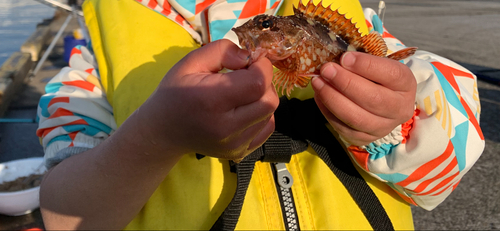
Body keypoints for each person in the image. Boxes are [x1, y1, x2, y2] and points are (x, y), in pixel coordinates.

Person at [36, 0, 484, 230]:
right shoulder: (94, 71)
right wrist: (158, 133)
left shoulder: (357, 24)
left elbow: (451, 161)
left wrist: (393, 122)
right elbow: (64, 215)